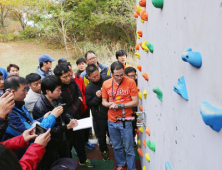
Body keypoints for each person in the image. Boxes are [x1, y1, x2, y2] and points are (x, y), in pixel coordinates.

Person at [2, 76, 63, 158]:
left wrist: (43, 118)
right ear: (12, 92)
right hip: (20, 155)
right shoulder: (9, 113)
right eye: (24, 90)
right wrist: (52, 116)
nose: (26, 93)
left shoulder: (20, 104)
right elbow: (33, 132)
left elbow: (30, 123)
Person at [32, 75, 78, 169]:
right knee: (53, 165)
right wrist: (66, 127)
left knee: (67, 161)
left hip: (63, 139)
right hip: (51, 144)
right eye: (58, 90)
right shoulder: (39, 108)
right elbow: (42, 131)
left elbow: (64, 113)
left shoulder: (57, 98)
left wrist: (70, 119)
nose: (60, 92)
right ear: (48, 91)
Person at [54, 64, 95, 168]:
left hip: (78, 116)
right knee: (68, 145)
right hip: (66, 121)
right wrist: (78, 103)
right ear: (58, 77)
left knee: (80, 140)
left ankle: (83, 160)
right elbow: (64, 108)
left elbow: (79, 93)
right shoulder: (57, 89)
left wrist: (78, 101)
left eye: (69, 75)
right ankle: (68, 164)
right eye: (65, 77)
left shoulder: (72, 81)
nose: (69, 78)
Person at [102, 61, 139, 170]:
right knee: (117, 147)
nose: (119, 78)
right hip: (111, 121)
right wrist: (109, 104)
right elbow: (103, 101)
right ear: (111, 73)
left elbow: (135, 102)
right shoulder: (106, 84)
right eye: (116, 75)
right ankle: (121, 165)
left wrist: (119, 105)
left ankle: (131, 168)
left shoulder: (131, 82)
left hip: (126, 121)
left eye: (122, 75)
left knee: (129, 148)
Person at [65, 61, 95, 150]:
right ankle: (78, 148)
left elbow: (83, 92)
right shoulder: (63, 85)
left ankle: (86, 142)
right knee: (77, 131)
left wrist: (85, 104)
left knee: (86, 128)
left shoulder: (78, 77)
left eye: (70, 69)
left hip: (84, 107)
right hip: (74, 112)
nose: (69, 73)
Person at [85, 64, 111, 161]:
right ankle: (104, 150)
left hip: (112, 112)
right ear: (88, 77)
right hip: (99, 116)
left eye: (98, 75)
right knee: (101, 136)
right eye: (94, 77)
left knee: (113, 133)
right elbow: (89, 104)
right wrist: (97, 97)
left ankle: (117, 148)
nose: (97, 78)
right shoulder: (89, 88)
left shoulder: (107, 79)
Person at [125, 67, 138, 146]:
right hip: (127, 110)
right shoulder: (124, 84)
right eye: (130, 76)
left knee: (134, 125)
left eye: (134, 75)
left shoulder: (138, 83)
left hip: (135, 110)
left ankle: (133, 139)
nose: (133, 77)